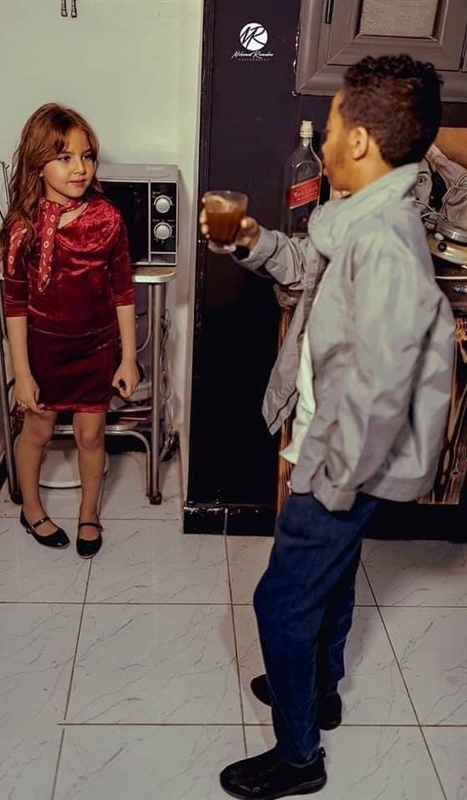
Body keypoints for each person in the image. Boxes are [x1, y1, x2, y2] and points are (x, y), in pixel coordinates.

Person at [200, 55, 455, 798]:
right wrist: (249, 238)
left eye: (335, 124)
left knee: (280, 601)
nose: (328, 137)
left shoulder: (384, 246)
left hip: (339, 458)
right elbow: (302, 268)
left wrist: (326, 481)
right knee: (333, 580)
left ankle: (298, 756)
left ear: (360, 143)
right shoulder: (358, 217)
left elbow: (379, 394)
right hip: (331, 444)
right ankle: (319, 690)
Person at [0, 103, 139, 559]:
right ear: (38, 163)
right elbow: (15, 304)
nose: (80, 168)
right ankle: (32, 509)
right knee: (37, 432)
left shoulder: (107, 219)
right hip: (43, 352)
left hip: (95, 349)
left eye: (87, 156)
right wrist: (22, 374)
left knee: (91, 436)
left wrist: (128, 357)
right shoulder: (20, 228)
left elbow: (123, 292)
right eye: (65, 158)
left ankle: (89, 513)